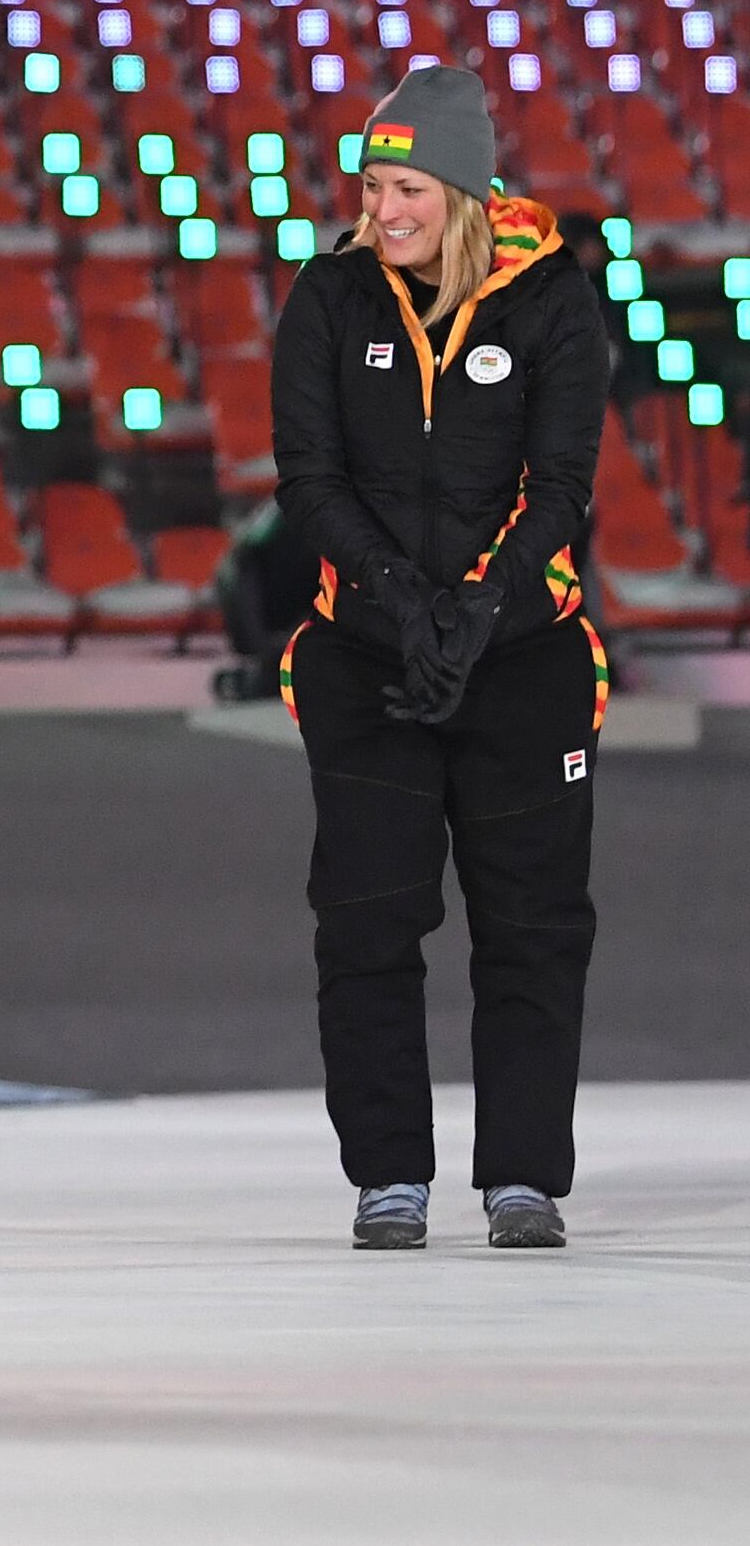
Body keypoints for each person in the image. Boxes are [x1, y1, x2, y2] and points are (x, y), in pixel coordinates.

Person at [270, 63, 608, 1252]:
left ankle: (522, 1176)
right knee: (366, 919)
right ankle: (388, 1175)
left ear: (462, 190)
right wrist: (404, 599)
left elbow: (562, 486)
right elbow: (309, 481)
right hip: (368, 656)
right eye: (371, 184)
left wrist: (479, 605)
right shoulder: (329, 294)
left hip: (524, 657)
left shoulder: (554, 299)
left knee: (533, 923)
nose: (383, 210)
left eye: (407, 185)